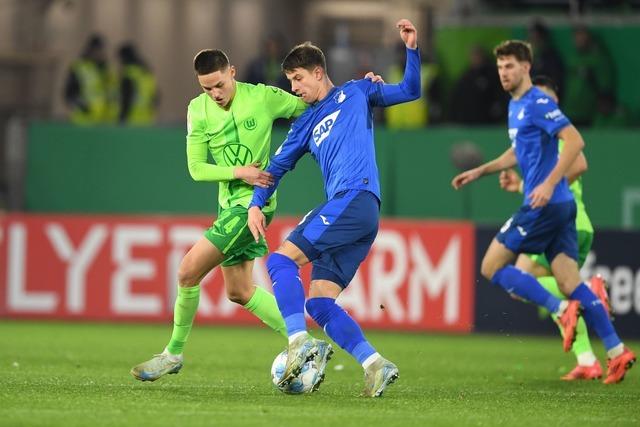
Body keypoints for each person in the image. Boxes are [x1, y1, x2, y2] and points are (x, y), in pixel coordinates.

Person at [247, 19, 421, 397]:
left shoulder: (359, 91)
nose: (294, 88)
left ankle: (298, 342)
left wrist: (410, 49)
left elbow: (411, 90)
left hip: (353, 199)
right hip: (360, 213)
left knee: (279, 262)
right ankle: (375, 364)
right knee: (320, 302)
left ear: (318, 72)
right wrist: (255, 204)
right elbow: (274, 170)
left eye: (298, 79)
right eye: (290, 81)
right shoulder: (304, 124)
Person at [451, 40, 635, 384]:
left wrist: (549, 183)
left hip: (546, 205)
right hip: (561, 207)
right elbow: (516, 152)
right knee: (570, 282)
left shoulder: (536, 101)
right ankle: (616, 351)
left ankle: (561, 310)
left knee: (491, 266)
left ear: (526, 68)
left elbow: (576, 142)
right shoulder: (515, 105)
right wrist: (480, 171)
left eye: (510, 66)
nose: (504, 73)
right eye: (500, 67)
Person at [130, 48, 308, 382]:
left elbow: (311, 106)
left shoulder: (263, 97)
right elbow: (196, 168)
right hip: (229, 205)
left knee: (186, 272)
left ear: (233, 72)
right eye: (206, 88)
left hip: (254, 205)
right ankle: (304, 341)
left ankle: (173, 354)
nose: (215, 94)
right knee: (240, 291)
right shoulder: (197, 111)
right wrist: (239, 171)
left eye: (219, 85)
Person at [499, 75, 611, 380]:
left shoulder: (555, 130)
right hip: (576, 222)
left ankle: (589, 295)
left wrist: (542, 188)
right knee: (554, 297)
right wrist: (521, 185)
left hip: (562, 223)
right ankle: (587, 360)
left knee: (521, 281)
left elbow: (579, 164)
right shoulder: (543, 134)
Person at [64, 34, 117, 124]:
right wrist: (83, 107)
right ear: (90, 50)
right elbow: (69, 94)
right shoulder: (79, 68)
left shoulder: (108, 70)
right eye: (97, 49)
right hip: (85, 120)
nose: (100, 53)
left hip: (106, 121)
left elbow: (113, 92)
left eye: (102, 49)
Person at [117, 43, 159, 125]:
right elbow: (156, 97)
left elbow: (126, 99)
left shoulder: (128, 73)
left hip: (132, 119)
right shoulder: (146, 72)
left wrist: (121, 118)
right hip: (148, 119)